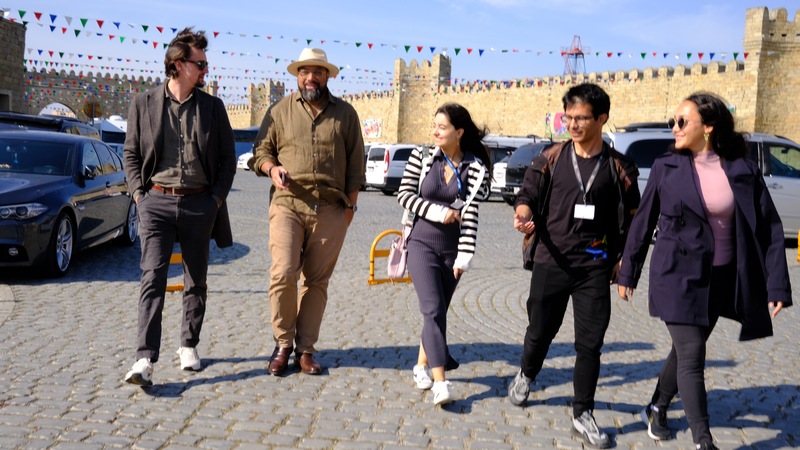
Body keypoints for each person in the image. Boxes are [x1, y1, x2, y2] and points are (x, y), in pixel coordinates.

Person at [617, 92, 792, 450]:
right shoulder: (667, 167)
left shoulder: (742, 169)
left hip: (721, 279)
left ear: (708, 127)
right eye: (673, 121)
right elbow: (642, 222)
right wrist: (628, 272)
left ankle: (657, 406)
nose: (674, 127)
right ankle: (703, 440)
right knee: (693, 354)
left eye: (683, 121)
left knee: (684, 352)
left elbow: (770, 229)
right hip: (676, 276)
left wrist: (776, 286)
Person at [508, 83, 640, 448]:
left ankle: (583, 413)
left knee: (590, 345)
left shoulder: (619, 167)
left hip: (594, 267)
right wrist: (523, 214)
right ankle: (526, 373)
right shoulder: (550, 157)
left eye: (581, 118)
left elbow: (635, 219)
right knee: (540, 331)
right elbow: (527, 195)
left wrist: (625, 262)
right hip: (551, 261)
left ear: (602, 119)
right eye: (569, 117)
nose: (573, 125)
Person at [123, 27, 236, 386]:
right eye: (200, 63)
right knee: (152, 277)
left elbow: (228, 159)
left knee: (196, 279)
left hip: (200, 203)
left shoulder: (213, 108)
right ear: (178, 64)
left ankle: (188, 344)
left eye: (205, 63)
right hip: (155, 201)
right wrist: (139, 196)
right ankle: (144, 358)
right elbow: (131, 153)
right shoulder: (143, 103)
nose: (205, 70)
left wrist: (214, 200)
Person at [251, 48, 365, 376]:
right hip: (288, 203)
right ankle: (283, 344)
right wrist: (272, 168)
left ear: (327, 76)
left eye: (317, 72)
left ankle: (305, 350)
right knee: (283, 273)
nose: (310, 77)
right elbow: (261, 152)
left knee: (316, 281)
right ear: (297, 76)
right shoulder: (280, 110)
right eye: (304, 72)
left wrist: (349, 209)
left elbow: (356, 165)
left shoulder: (346, 114)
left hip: (330, 209)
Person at [396, 103, 491, 405]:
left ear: (459, 132)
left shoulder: (475, 168)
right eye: (434, 125)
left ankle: (420, 366)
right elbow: (404, 196)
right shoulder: (422, 156)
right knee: (432, 309)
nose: (435, 131)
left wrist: (465, 256)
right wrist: (440, 213)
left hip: (452, 250)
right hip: (421, 243)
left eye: (442, 127)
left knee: (436, 314)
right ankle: (441, 383)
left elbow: (471, 214)